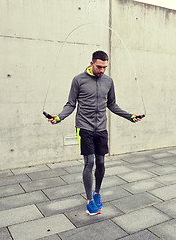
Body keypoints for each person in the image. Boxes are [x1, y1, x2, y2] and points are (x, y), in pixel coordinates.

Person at [47, 50, 142, 215]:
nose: (102, 70)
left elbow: (112, 104)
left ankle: (97, 193)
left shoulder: (108, 81)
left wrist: (130, 116)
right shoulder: (78, 80)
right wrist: (59, 117)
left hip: (101, 128)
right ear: (91, 63)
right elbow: (71, 104)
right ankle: (90, 200)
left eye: (105, 67)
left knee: (101, 163)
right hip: (84, 127)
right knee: (89, 163)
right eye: (99, 67)